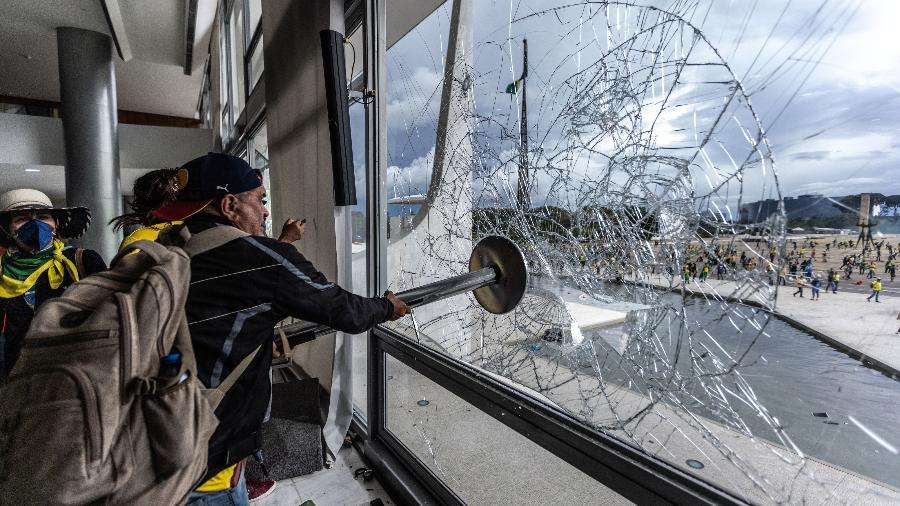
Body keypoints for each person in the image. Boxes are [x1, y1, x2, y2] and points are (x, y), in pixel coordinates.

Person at [114, 153, 410, 505]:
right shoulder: (260, 258)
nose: (266, 211)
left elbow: (200, 329)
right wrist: (388, 306)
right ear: (230, 205)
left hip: (143, 451)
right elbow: (346, 311)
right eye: (259, 200)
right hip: (204, 472)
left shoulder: (162, 250)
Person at [0, 189, 106, 379]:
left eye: (43, 217)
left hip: (71, 378)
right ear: (7, 229)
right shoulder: (1, 271)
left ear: (56, 224)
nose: (35, 224)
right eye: (22, 219)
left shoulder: (82, 261)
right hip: (12, 380)